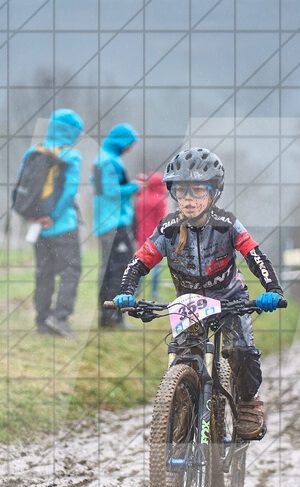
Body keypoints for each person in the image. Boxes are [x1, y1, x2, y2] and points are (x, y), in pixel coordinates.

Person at [112, 148, 284, 440]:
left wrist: (273, 290)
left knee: (241, 351)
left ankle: (248, 405)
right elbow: (139, 262)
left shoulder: (227, 225)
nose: (189, 198)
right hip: (189, 304)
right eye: (181, 190)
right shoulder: (168, 229)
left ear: (213, 193)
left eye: (197, 190)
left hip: (230, 298)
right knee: (182, 354)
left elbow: (255, 255)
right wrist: (126, 292)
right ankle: (171, 415)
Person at [19, 109, 84, 338]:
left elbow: (22, 188)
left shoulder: (33, 152)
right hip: (63, 225)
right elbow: (70, 191)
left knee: (43, 273)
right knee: (70, 271)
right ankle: (60, 317)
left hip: (37, 226)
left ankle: (41, 321)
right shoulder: (71, 155)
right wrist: (54, 216)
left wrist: (29, 215)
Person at [93, 123, 140, 328]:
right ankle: (112, 317)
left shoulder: (104, 159)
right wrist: (135, 186)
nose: (130, 148)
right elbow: (111, 192)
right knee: (119, 269)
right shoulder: (107, 161)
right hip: (114, 223)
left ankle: (109, 317)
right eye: (129, 144)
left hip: (109, 223)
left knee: (110, 269)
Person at [133, 171, 169, 300]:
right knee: (156, 267)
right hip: (155, 238)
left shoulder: (141, 197)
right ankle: (154, 292)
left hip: (140, 237)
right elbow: (162, 223)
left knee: (140, 265)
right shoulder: (160, 200)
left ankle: (136, 290)